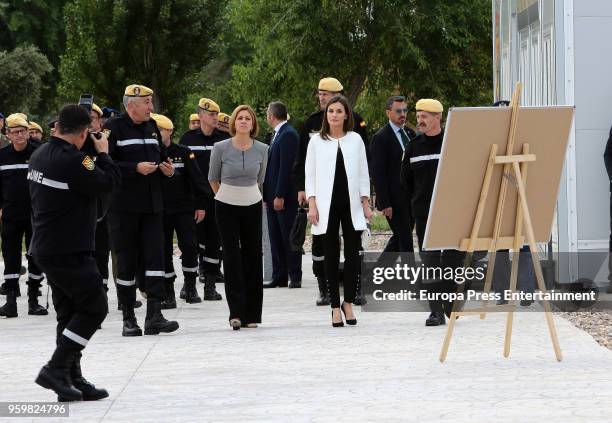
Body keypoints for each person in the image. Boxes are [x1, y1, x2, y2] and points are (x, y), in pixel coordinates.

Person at [30, 104, 120, 401]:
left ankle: (70, 378)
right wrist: (103, 153)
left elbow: (78, 183)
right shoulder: (75, 160)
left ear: (56, 126)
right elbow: (107, 183)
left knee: (69, 313)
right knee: (95, 308)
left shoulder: (41, 153)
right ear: (84, 133)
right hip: (69, 248)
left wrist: (90, 157)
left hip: (47, 246)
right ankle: (55, 369)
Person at [105, 84, 179, 337]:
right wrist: (133, 167)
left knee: (155, 258)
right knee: (126, 260)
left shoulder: (152, 127)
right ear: (131, 105)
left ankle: (154, 315)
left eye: (151, 102)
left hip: (152, 205)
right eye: (147, 102)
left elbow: (163, 157)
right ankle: (128, 317)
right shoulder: (113, 128)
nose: (151, 107)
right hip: (124, 207)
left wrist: (166, 169)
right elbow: (103, 164)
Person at [296, 77, 369, 306]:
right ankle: (326, 291)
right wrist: (309, 198)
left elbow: (363, 168)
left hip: (350, 201)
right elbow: (306, 167)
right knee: (324, 249)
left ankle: (354, 291)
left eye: (327, 94)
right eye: (320, 94)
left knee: (353, 249)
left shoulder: (356, 131)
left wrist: (366, 201)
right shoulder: (313, 130)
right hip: (324, 201)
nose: (323, 99)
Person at [400, 99, 464, 326]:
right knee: (430, 262)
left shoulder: (453, 143)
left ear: (438, 117)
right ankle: (435, 311)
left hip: (452, 212)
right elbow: (405, 183)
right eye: (418, 116)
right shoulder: (413, 147)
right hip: (424, 214)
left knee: (454, 260)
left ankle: (452, 299)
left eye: (425, 116)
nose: (420, 120)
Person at [208, 105, 268, 330]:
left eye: (248, 118)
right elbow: (213, 178)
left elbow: (261, 179)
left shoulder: (263, 149)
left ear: (253, 124)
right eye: (240, 118)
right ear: (234, 123)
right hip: (225, 205)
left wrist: (250, 196)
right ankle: (235, 312)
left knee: (253, 257)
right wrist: (224, 196)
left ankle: (252, 313)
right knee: (232, 257)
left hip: (252, 203)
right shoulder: (220, 147)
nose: (243, 121)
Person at [151, 113, 209, 307]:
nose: (157, 134)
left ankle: (190, 286)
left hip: (184, 207)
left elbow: (197, 179)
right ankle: (168, 292)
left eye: (161, 130)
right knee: (164, 249)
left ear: (170, 131)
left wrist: (201, 204)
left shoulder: (183, 151)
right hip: (161, 209)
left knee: (190, 246)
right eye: (155, 130)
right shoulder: (151, 153)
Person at [0, 114, 47, 317]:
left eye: (23, 131)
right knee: (11, 257)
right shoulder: (2, 156)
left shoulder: (39, 153)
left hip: (36, 214)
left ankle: (33, 300)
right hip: (10, 215)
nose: (19, 135)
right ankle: (10, 300)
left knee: (35, 255)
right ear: (8, 134)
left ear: (29, 132)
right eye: (15, 132)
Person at [179, 98, 225, 300]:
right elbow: (184, 173)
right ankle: (189, 284)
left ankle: (210, 284)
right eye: (210, 114)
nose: (215, 118)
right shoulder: (188, 139)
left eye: (216, 114)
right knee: (193, 243)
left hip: (218, 198)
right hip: (195, 199)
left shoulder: (223, 139)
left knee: (214, 242)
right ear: (200, 116)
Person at [263, 101, 302, 289]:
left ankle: (294, 275)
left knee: (288, 236)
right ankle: (279, 275)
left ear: (271, 116)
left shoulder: (288, 135)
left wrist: (279, 195)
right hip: (271, 197)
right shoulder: (277, 135)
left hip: (283, 197)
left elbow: (286, 168)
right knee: (276, 237)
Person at [371, 95, 416, 254]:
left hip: (410, 196)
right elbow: (378, 173)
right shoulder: (381, 137)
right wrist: (385, 202)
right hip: (394, 200)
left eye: (405, 110)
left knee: (400, 237)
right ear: (388, 112)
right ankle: (410, 277)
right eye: (398, 111)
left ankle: (375, 275)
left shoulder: (410, 134)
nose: (402, 114)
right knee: (405, 239)